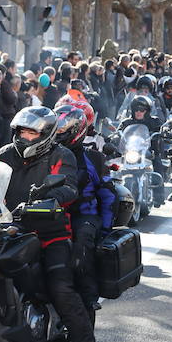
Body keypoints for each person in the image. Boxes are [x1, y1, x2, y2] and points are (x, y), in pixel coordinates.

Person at [0, 106, 97, 342]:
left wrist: (50, 200)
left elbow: (69, 187)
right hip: (11, 229)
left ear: (46, 134)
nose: (25, 137)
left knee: (60, 287)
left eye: (32, 132)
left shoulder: (61, 155)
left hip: (51, 233)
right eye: (22, 132)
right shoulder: (4, 154)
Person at [53, 105, 117, 319]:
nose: (60, 133)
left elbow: (108, 196)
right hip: (51, 215)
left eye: (64, 130)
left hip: (84, 215)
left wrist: (106, 228)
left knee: (81, 246)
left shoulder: (93, 158)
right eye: (57, 129)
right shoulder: (47, 155)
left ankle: (89, 299)